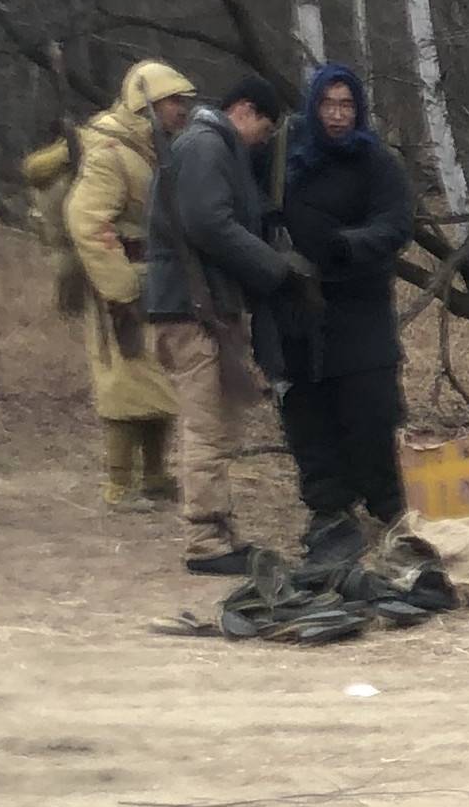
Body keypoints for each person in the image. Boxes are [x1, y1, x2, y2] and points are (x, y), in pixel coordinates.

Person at [144, 75, 312, 574]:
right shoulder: (205, 147)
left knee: (215, 425)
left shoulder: (202, 145)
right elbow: (208, 223)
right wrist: (274, 268)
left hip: (199, 308)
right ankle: (205, 541)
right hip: (191, 312)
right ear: (244, 110)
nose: (263, 139)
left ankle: (220, 531)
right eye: (264, 126)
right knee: (206, 428)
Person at [275, 64, 415, 567]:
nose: (337, 115)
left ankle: (388, 502)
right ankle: (329, 507)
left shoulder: (377, 162)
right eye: (328, 104)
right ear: (313, 107)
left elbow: (397, 223)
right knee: (308, 411)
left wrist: (347, 246)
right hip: (297, 306)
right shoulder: (287, 159)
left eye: (346, 105)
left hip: (360, 303)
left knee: (371, 409)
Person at [57, 61, 195, 511]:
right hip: (121, 285)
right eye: (173, 101)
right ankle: (120, 485)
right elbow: (86, 220)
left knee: (157, 381)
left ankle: (155, 476)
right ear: (147, 104)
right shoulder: (111, 153)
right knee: (125, 384)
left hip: (153, 279)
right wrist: (119, 289)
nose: (182, 109)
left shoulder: (153, 147)